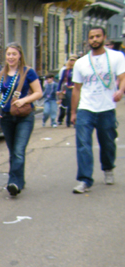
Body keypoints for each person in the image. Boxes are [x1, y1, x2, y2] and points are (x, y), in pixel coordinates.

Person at [70, 27, 125, 193]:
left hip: (106, 107)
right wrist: (73, 112)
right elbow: (76, 89)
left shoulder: (116, 56)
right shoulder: (81, 63)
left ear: (104, 37)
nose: (94, 39)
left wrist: (121, 91)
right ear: (88, 40)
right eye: (91, 37)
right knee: (83, 144)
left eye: (98, 36)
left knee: (107, 143)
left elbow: (122, 77)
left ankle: (108, 168)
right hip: (86, 108)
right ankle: (85, 180)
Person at [0, 42, 42, 197]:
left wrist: (24, 100)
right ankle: (19, 180)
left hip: (24, 116)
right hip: (6, 117)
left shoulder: (28, 72)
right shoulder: (1, 74)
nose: (11, 57)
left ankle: (13, 183)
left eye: (14, 54)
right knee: (13, 151)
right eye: (8, 54)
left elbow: (38, 92)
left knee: (19, 150)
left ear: (20, 55)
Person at [57, 55, 77, 126]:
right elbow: (61, 80)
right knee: (70, 105)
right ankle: (68, 122)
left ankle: (75, 121)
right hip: (68, 88)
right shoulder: (66, 70)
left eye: (74, 60)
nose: (72, 62)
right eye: (71, 60)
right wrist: (58, 89)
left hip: (76, 88)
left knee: (77, 105)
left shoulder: (78, 69)